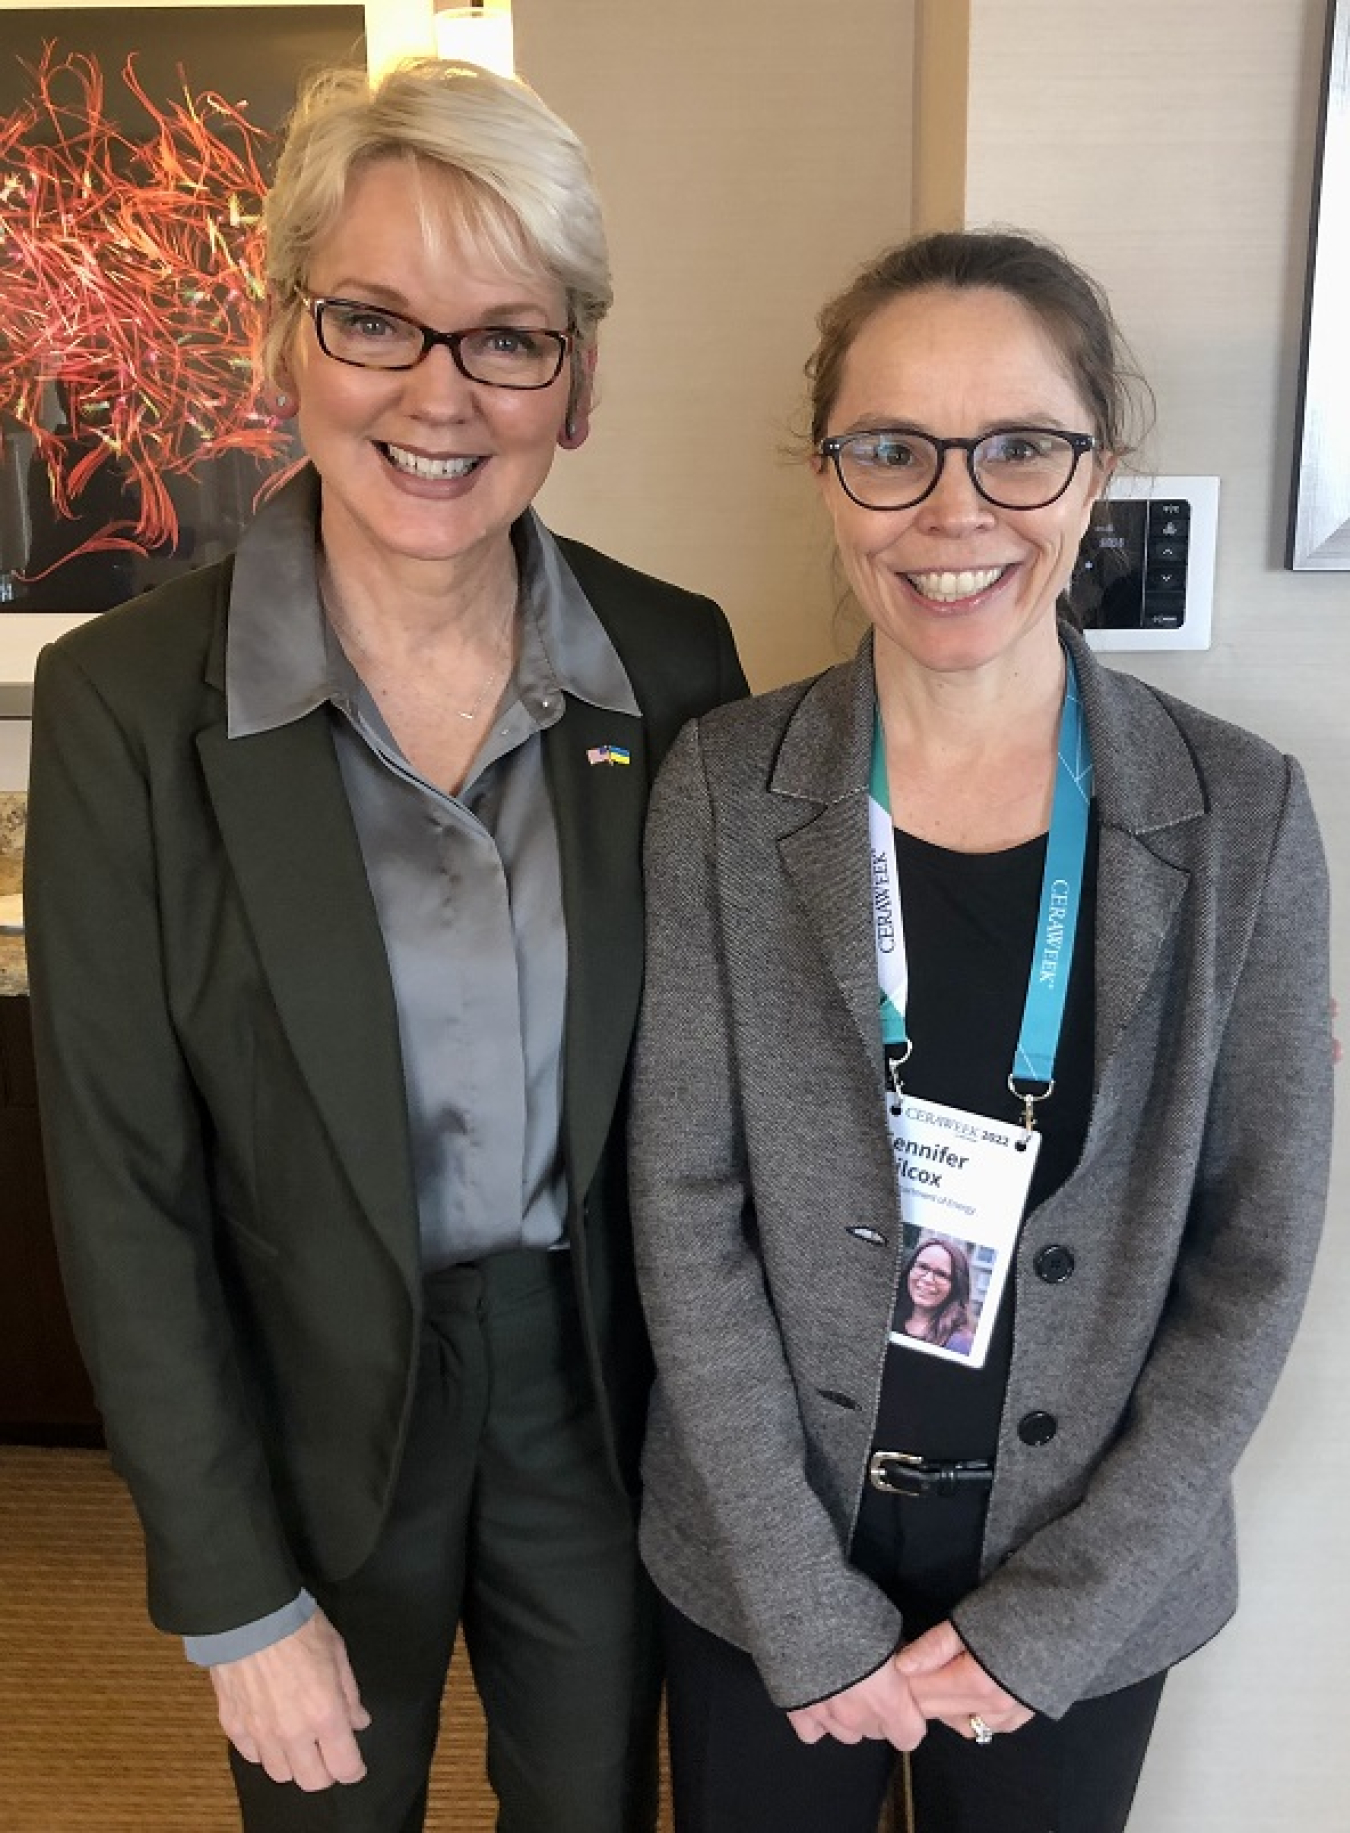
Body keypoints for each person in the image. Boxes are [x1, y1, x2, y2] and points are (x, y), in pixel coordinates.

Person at [24, 57, 745, 1833]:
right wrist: (228, 1589)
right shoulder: (126, 702)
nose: (442, 394)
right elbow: (124, 1189)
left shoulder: (673, 664)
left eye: (511, 335)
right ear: (286, 339)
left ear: (578, 380)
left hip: (591, 1396)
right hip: (310, 1421)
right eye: (374, 321)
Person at [629, 229, 1332, 1833]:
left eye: (1017, 446)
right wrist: (802, 1608)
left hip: (1080, 1578)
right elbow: (682, 1208)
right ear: (828, 476)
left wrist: (1057, 1618)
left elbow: (1252, 1265)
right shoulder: (724, 791)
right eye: (891, 449)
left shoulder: (1241, 816)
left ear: (1095, 471)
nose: (954, 510)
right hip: (761, 1559)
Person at [897, 1236, 975, 1355]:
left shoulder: (959, 1345)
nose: (928, 1279)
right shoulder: (888, 1317)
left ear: (956, 1286)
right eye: (922, 1267)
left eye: (941, 1274)